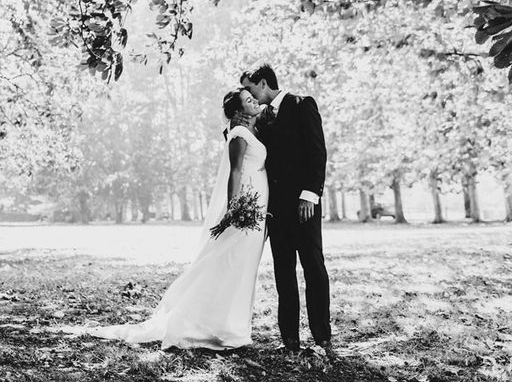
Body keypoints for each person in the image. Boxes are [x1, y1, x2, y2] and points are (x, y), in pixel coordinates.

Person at [86, 87, 269, 350]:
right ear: (239, 111)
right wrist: (234, 208)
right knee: (231, 265)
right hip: (245, 209)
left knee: (243, 267)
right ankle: (213, 326)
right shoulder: (239, 134)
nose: (255, 102)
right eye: (248, 101)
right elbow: (235, 172)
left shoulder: (251, 128)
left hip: (257, 210)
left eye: (254, 99)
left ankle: (231, 325)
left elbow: (265, 112)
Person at [239, 63, 331, 353]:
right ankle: (289, 338)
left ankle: (322, 336)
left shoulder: (302, 105)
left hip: (304, 206)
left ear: (263, 83)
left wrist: (309, 195)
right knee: (283, 272)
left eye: (250, 88)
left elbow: (318, 153)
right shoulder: (262, 118)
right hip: (276, 210)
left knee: (314, 268)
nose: (248, 94)